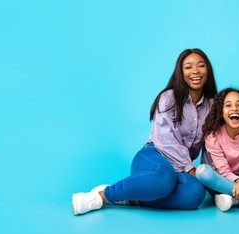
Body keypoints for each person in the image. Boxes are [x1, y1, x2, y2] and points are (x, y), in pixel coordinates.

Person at [72, 48, 217, 215]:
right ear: (180, 72)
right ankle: (103, 195)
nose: (195, 71)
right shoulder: (168, 98)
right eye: (188, 67)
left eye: (201, 66)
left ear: (208, 70)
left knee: (195, 194)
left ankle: (132, 197)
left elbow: (212, 144)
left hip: (180, 170)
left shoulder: (213, 106)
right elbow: (165, 141)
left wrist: (210, 175)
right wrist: (191, 169)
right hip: (153, 158)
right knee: (164, 178)